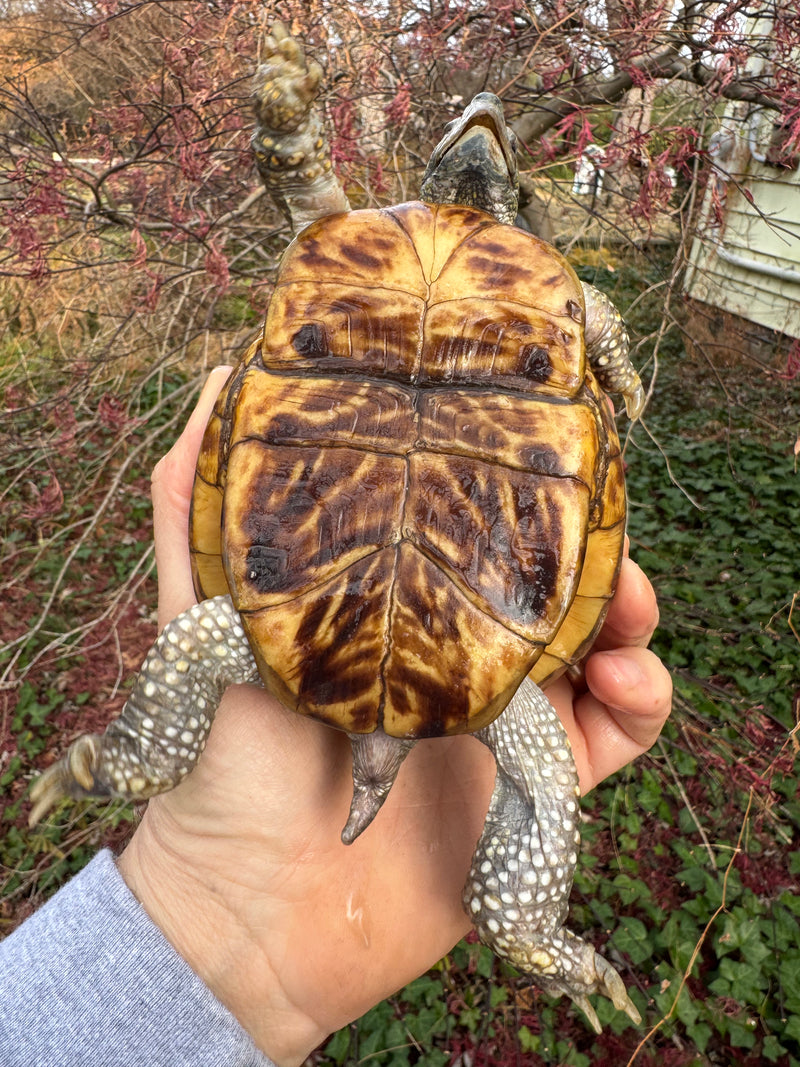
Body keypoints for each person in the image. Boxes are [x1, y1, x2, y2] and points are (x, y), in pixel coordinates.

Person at [0, 368, 673, 1067]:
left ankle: (147, 754)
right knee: (541, 768)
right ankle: (523, 920)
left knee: (213, 638)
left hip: (307, 596)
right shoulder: (503, 696)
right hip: (487, 633)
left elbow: (201, 634)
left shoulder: (271, 634)